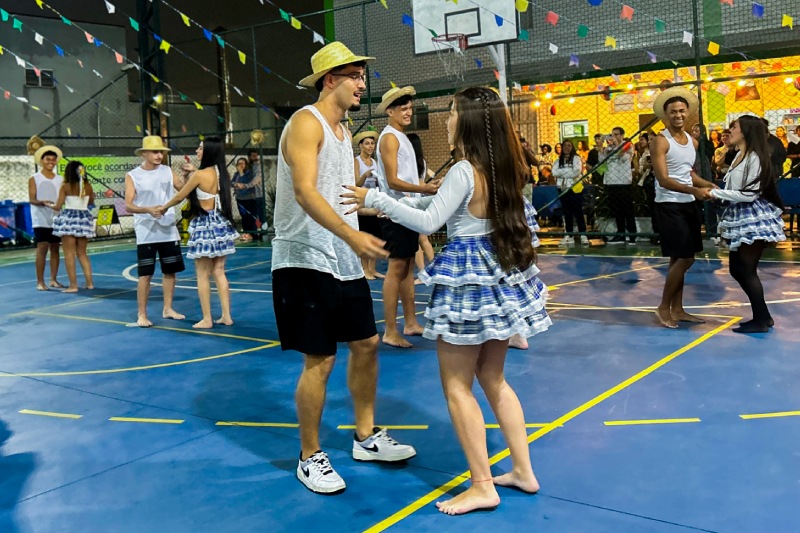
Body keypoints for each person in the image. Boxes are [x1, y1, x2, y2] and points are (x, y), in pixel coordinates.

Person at [343, 86, 551, 516]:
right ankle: (523, 470)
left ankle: (482, 485)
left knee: (457, 386)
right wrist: (410, 197)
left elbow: (429, 221)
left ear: (468, 121)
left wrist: (375, 198)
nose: (447, 118)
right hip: (498, 275)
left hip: (468, 283)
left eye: (452, 112)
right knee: (494, 379)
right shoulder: (503, 167)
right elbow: (445, 205)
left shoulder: (464, 170)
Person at [272, 42, 416, 495]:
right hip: (304, 258)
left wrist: (377, 209)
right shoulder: (305, 123)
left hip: (341, 258)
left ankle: (365, 436)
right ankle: (309, 456)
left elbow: (339, 194)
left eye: (362, 75)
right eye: (354, 75)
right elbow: (305, 191)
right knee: (321, 358)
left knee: (368, 344)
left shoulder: (343, 131)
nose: (362, 82)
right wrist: (353, 236)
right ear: (329, 80)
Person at [375, 86, 439, 348]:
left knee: (408, 266)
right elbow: (392, 180)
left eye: (410, 108)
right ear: (389, 111)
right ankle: (390, 330)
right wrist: (424, 189)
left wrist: (426, 188)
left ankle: (410, 323)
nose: (408, 113)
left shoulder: (402, 138)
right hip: (395, 212)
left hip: (408, 210)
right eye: (403, 109)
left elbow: (407, 179)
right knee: (396, 269)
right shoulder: (389, 138)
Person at [649, 88, 717, 329]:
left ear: (688, 113)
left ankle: (677, 309)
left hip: (687, 204)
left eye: (681, 111)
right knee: (686, 258)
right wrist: (694, 191)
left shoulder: (692, 141)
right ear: (665, 115)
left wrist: (706, 184)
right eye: (673, 112)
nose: (678, 115)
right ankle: (663, 307)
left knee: (678, 258)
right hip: (669, 205)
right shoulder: (660, 141)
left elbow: (688, 173)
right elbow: (663, 179)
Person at [710, 116, 785, 333]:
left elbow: (750, 194)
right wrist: (716, 191)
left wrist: (714, 193)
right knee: (737, 268)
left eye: (734, 127)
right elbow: (734, 187)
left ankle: (761, 320)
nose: (729, 131)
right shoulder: (738, 155)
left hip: (753, 217)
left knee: (746, 269)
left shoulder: (755, 158)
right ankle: (764, 316)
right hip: (740, 214)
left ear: (745, 131)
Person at [157, 137, 239, 329]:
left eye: (200, 148)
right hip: (221, 223)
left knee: (202, 273)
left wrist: (163, 207)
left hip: (205, 224)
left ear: (208, 151)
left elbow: (180, 196)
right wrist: (193, 171)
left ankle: (207, 319)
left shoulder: (200, 175)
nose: (197, 151)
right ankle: (226, 316)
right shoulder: (222, 173)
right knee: (219, 271)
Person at [124, 136, 186, 328]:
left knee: (170, 271)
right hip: (146, 231)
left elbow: (183, 190)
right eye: (155, 152)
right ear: (144, 153)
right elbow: (128, 205)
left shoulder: (168, 171)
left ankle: (168, 308)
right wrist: (147, 209)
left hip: (168, 229)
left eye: (161, 152)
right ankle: (142, 314)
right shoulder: (133, 175)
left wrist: (188, 176)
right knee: (145, 274)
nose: (159, 155)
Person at [52, 161, 95, 292]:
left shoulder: (65, 186)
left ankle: (73, 285)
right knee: (82, 253)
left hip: (69, 220)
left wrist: (48, 205)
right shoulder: (88, 186)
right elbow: (91, 203)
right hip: (84, 219)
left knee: (69, 254)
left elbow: (58, 206)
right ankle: (89, 283)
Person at [29, 145, 64, 291]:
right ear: (42, 161)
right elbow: (32, 199)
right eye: (48, 159)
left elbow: (62, 197)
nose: (51, 162)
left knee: (55, 248)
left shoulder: (61, 179)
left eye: (53, 159)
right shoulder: (34, 179)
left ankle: (53, 280)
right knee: (42, 248)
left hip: (56, 218)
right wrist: (42, 202)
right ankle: (40, 281)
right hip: (40, 218)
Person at [353, 128, 384, 280]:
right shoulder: (356, 161)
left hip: (374, 202)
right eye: (367, 143)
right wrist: (365, 175)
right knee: (364, 235)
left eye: (372, 143)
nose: (370, 146)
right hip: (362, 203)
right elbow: (355, 183)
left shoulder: (375, 162)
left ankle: (372, 268)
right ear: (360, 145)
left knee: (374, 235)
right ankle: (364, 269)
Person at [407, 132, 436, 283]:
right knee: (423, 239)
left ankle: (423, 273)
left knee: (417, 240)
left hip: (413, 201)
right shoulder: (422, 161)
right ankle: (434, 269)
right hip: (420, 200)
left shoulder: (410, 162)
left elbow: (416, 183)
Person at [601, 127, 637, 245]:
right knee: (617, 210)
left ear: (622, 135)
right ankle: (620, 234)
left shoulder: (627, 146)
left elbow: (623, 157)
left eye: (616, 134)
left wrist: (616, 144)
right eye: (612, 135)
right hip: (612, 182)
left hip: (623, 182)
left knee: (627, 210)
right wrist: (601, 147)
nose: (614, 137)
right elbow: (602, 160)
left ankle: (632, 235)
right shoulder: (609, 148)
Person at [551, 139, 588, 245]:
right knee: (567, 212)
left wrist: (562, 172)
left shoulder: (576, 158)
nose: (566, 148)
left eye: (569, 145)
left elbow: (576, 172)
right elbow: (554, 172)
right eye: (565, 146)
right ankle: (569, 235)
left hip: (574, 189)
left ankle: (583, 234)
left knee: (578, 212)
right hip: (563, 189)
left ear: (572, 147)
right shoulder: (558, 160)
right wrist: (568, 172)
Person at [232, 156, 256, 242]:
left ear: (246, 164)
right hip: (240, 198)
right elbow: (232, 182)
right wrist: (236, 184)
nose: (241, 165)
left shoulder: (249, 173)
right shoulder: (236, 174)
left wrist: (241, 173)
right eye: (239, 164)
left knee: (250, 216)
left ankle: (252, 233)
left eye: (243, 163)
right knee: (244, 216)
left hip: (248, 198)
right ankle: (246, 232)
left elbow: (246, 182)